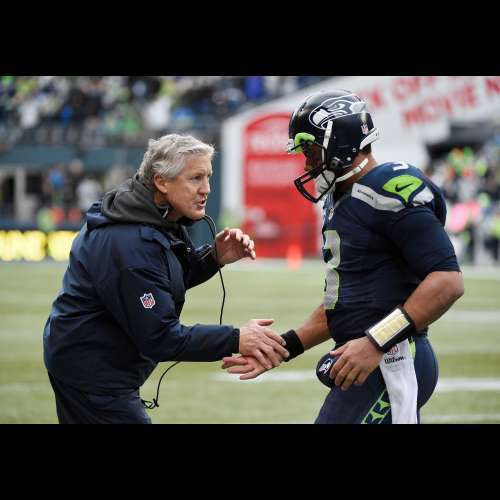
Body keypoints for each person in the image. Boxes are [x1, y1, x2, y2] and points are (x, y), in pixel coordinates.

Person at [222, 90, 464, 424]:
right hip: (368, 356)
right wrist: (283, 348)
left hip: (393, 357)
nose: (307, 164)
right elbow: (343, 307)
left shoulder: (387, 188)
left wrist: (376, 341)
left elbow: (448, 281)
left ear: (342, 142)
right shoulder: (343, 198)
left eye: (311, 151)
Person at [43, 133, 289, 424]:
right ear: (161, 181)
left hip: (91, 361)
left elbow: (163, 279)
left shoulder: (151, 214)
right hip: (93, 372)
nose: (206, 189)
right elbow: (160, 337)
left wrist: (214, 257)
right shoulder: (131, 241)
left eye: (208, 177)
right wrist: (237, 338)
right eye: (195, 178)